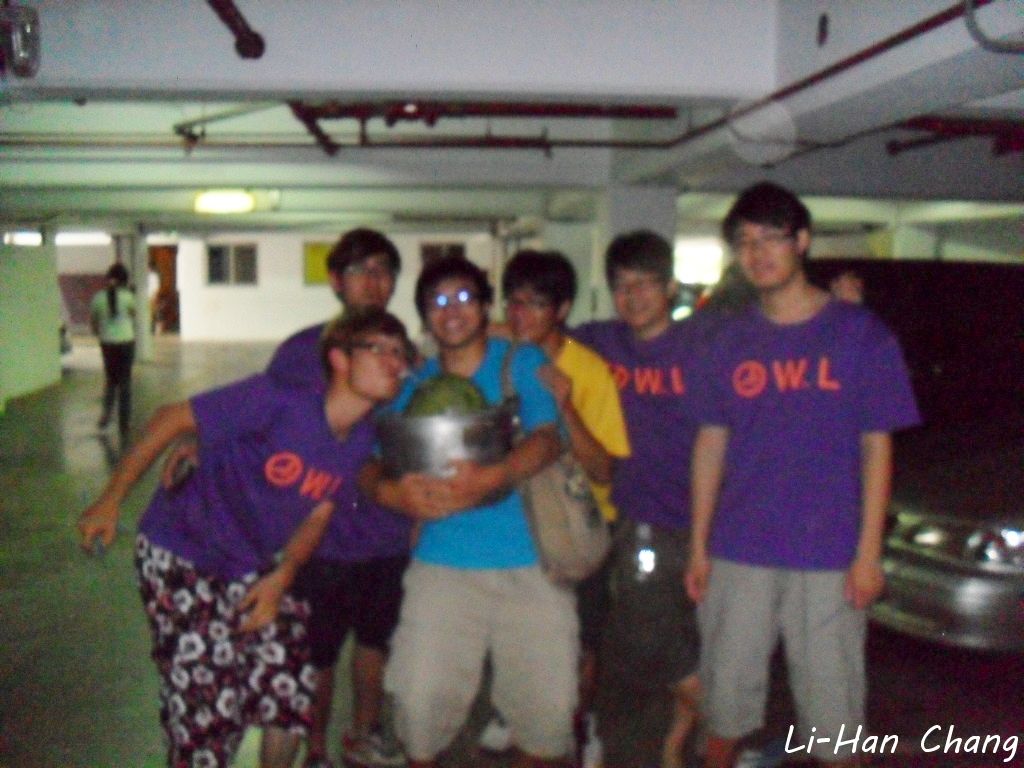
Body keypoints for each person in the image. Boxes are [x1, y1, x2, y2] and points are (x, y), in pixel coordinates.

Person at [77, 309, 413, 768]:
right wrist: (110, 499)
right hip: (180, 553)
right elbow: (170, 418)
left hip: (248, 564)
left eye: (400, 352)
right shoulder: (279, 400)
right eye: (380, 349)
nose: (395, 362)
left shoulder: (359, 439)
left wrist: (283, 576)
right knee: (207, 709)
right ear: (339, 358)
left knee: (291, 684)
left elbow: (320, 510)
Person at [684, 182, 920, 768]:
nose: (757, 252)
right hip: (739, 549)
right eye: (745, 242)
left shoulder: (860, 335)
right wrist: (698, 546)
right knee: (723, 711)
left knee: (836, 725)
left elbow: (877, 448)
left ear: (803, 241)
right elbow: (711, 444)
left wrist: (869, 555)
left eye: (771, 238)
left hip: (830, 555)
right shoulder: (728, 340)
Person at [162, 228, 411, 768]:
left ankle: (364, 735)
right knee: (314, 655)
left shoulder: (400, 355)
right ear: (335, 281)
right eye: (361, 270)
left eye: (384, 271)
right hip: (320, 535)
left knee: (375, 644)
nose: (374, 282)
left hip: (384, 531)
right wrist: (204, 441)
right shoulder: (302, 352)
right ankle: (315, 750)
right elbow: (256, 418)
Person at [361, 256, 572, 768]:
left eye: (463, 297)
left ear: (484, 306)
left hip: (531, 564)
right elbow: (369, 464)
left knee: (546, 714)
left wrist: (495, 476)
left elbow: (548, 440)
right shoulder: (411, 383)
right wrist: (394, 495)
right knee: (419, 708)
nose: (451, 310)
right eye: (437, 301)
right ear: (424, 315)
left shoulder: (519, 362)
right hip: (442, 565)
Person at [477, 249, 631, 768]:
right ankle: (514, 711)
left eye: (536, 304)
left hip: (575, 525)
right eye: (514, 302)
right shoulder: (497, 358)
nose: (521, 314)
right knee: (510, 630)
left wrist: (564, 405)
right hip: (512, 520)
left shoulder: (587, 370)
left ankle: (580, 726)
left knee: (577, 641)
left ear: (562, 309)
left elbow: (605, 470)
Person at [571, 230, 707, 768]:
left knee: (668, 635)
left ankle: (693, 732)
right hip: (637, 518)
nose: (633, 296)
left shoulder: (702, 343)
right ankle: (682, 734)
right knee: (647, 629)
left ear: (670, 287)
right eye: (621, 286)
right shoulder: (602, 342)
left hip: (700, 520)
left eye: (645, 284)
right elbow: (536, 331)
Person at [90, 263, 137, 436]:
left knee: (110, 380)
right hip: (126, 342)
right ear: (124, 280)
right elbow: (134, 315)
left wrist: (102, 333)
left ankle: (106, 415)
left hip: (107, 344)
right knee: (125, 382)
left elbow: (94, 323)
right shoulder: (128, 296)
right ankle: (124, 423)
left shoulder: (98, 297)